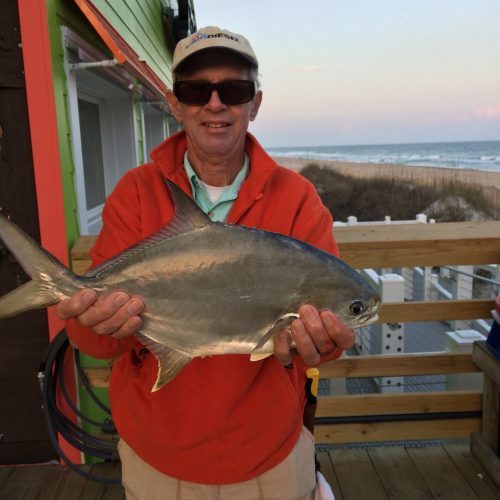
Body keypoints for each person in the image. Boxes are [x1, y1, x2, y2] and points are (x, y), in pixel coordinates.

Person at [57, 26, 354, 499]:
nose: (215, 104)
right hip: (158, 457)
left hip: (269, 455)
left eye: (233, 89)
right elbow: (91, 339)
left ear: (255, 103)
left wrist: (325, 341)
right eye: (196, 90)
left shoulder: (298, 200)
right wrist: (97, 321)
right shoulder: (136, 193)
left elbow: (329, 329)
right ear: (175, 104)